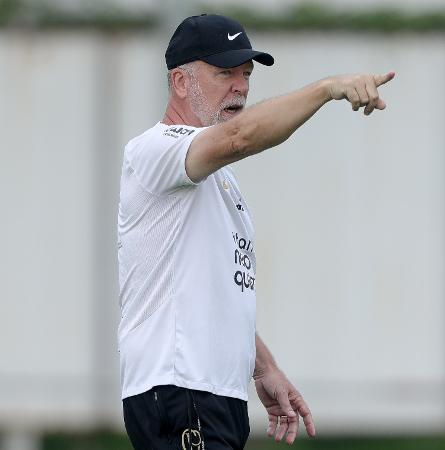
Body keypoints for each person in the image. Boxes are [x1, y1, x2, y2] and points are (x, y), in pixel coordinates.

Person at [117, 13, 394, 450]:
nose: (241, 86)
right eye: (224, 72)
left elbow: (214, 288)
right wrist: (327, 89)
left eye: (245, 73)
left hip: (213, 396)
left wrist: (262, 366)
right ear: (180, 82)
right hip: (180, 391)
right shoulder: (156, 149)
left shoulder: (218, 180)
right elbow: (239, 138)